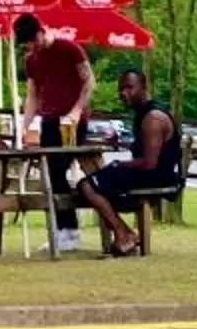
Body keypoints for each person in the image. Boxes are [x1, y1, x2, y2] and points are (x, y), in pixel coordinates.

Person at [72, 66, 181, 258]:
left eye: (130, 87)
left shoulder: (153, 118)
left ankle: (123, 234)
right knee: (94, 185)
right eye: (121, 89)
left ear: (144, 87)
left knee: (87, 185)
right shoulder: (142, 114)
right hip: (148, 173)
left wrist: (119, 165)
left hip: (156, 176)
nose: (124, 93)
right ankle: (125, 233)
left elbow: (149, 163)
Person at [14, 12, 93, 251]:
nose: (31, 46)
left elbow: (89, 81)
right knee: (50, 174)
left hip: (72, 120)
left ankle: (69, 230)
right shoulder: (32, 60)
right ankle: (64, 229)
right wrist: (24, 125)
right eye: (26, 43)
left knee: (59, 169)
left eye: (32, 40)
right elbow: (33, 95)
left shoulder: (69, 49)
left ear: (40, 31)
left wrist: (77, 110)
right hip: (49, 120)